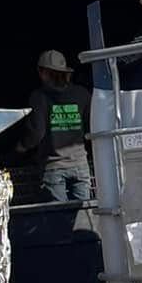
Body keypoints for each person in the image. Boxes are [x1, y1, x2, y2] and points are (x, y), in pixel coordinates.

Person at [20, 48, 94, 203]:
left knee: (59, 219)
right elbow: (91, 128)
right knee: (84, 214)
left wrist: (21, 147)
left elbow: (37, 133)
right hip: (80, 164)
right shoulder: (82, 94)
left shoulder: (38, 97)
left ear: (44, 73)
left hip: (53, 167)